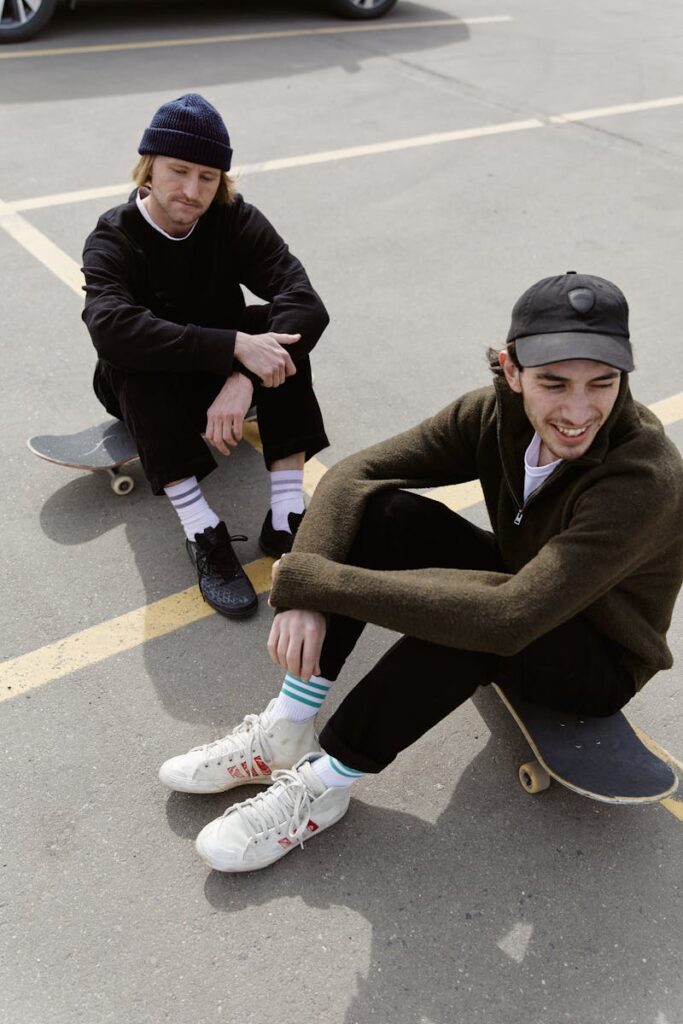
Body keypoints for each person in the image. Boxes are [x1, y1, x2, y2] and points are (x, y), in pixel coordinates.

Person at [159, 272, 683, 872]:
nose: (578, 410)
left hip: (598, 655)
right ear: (512, 371)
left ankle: (326, 782)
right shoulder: (495, 414)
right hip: (523, 583)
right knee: (382, 514)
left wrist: (311, 582)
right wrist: (304, 587)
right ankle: (288, 725)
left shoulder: (641, 478)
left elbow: (509, 616)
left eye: (603, 383)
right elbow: (354, 475)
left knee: (470, 616)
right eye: (554, 383)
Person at [82, 93, 329, 619]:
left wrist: (243, 374)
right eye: (179, 171)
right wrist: (234, 347)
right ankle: (201, 528)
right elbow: (109, 328)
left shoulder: (232, 219)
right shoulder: (114, 236)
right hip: (147, 384)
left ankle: (286, 516)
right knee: (134, 356)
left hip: (221, 371)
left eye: (208, 177)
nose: (192, 191)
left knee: (280, 330)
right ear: (149, 167)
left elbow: (305, 300)